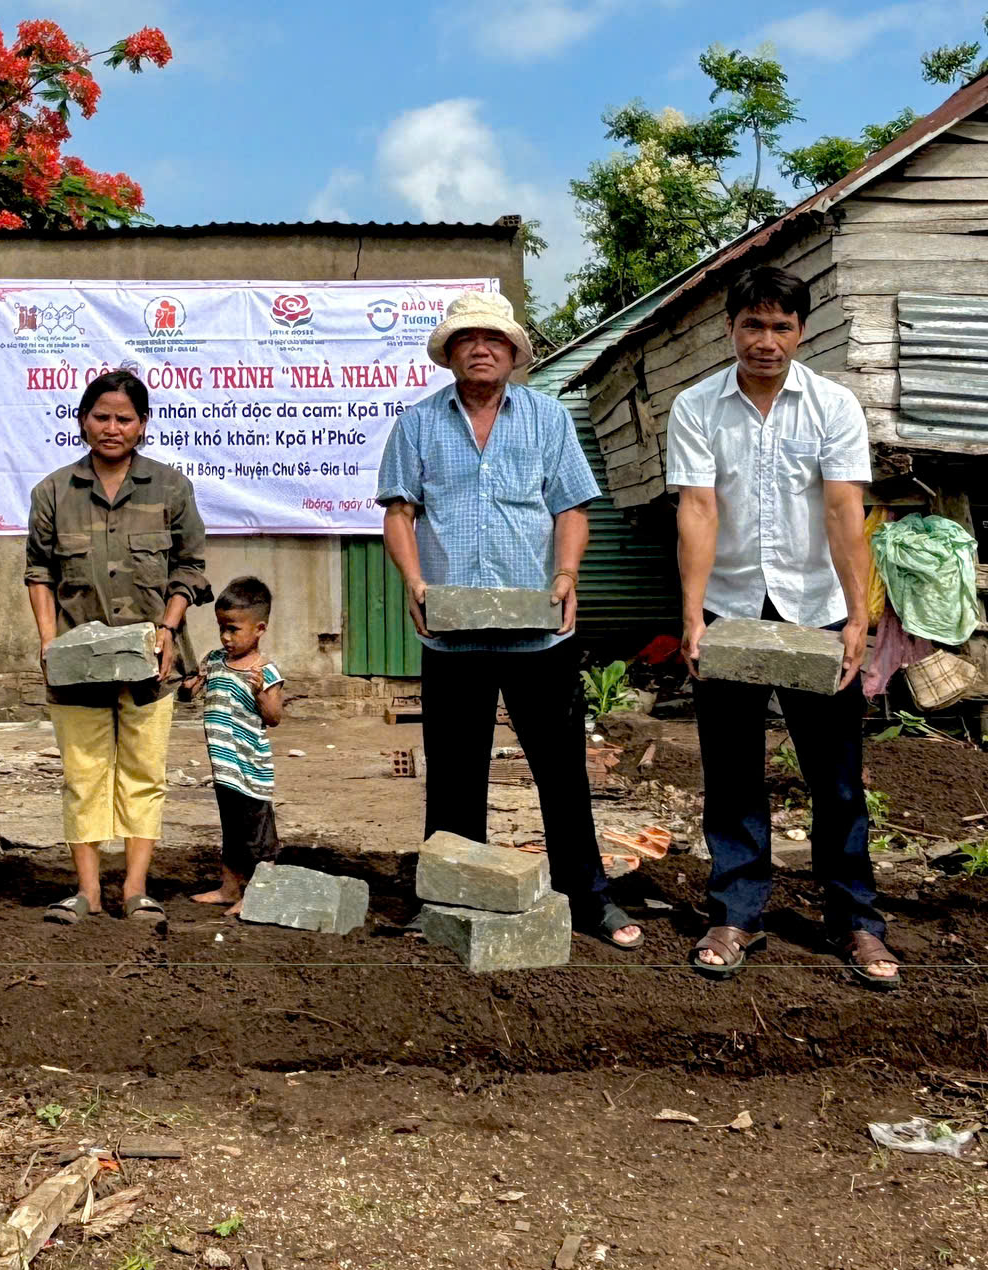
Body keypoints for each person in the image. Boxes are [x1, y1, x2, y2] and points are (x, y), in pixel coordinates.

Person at [377, 287, 640, 952]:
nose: (482, 349)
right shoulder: (418, 424)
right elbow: (399, 512)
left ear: (515, 352)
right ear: (451, 353)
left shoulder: (548, 420)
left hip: (539, 631)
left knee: (560, 769)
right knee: (455, 773)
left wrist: (567, 575)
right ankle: (449, 898)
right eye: (468, 339)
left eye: (494, 340)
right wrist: (414, 581)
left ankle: (587, 898)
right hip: (452, 634)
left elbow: (572, 507)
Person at [670, 264, 896, 988]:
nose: (765, 341)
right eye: (752, 326)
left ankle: (856, 919)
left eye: (781, 326)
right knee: (732, 769)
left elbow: (842, 511)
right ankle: (736, 911)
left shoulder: (833, 407)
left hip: (815, 605)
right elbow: (699, 510)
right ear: (730, 329)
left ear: (801, 331)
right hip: (731, 604)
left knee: (835, 776)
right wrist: (691, 614)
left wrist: (860, 614)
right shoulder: (697, 406)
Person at [25, 369, 209, 928]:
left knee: (142, 772)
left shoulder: (171, 488)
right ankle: (86, 891)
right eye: (101, 416)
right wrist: (48, 641)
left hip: (150, 663)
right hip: (75, 664)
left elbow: (190, 567)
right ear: (83, 421)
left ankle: (135, 889)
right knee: (83, 774)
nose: (111, 427)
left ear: (142, 425)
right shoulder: (53, 491)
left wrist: (168, 629)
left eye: (124, 418)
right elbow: (39, 572)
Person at [190, 576, 284, 915]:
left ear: (259, 629)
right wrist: (191, 682)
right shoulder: (214, 660)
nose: (226, 638)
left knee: (257, 835)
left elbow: (274, 717)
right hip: (224, 767)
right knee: (231, 829)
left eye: (234, 629)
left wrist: (261, 694)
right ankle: (230, 888)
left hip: (250, 769)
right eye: (222, 629)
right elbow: (191, 691)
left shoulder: (264, 670)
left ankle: (260, 893)